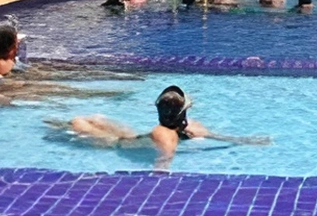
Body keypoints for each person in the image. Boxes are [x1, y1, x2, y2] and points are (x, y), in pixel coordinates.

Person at [48, 85, 272, 170]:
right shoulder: (191, 128)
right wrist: (250, 141)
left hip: (117, 144)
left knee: (78, 122)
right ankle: (52, 123)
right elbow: (224, 138)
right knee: (96, 119)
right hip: (126, 139)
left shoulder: (163, 134)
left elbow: (163, 163)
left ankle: (49, 122)